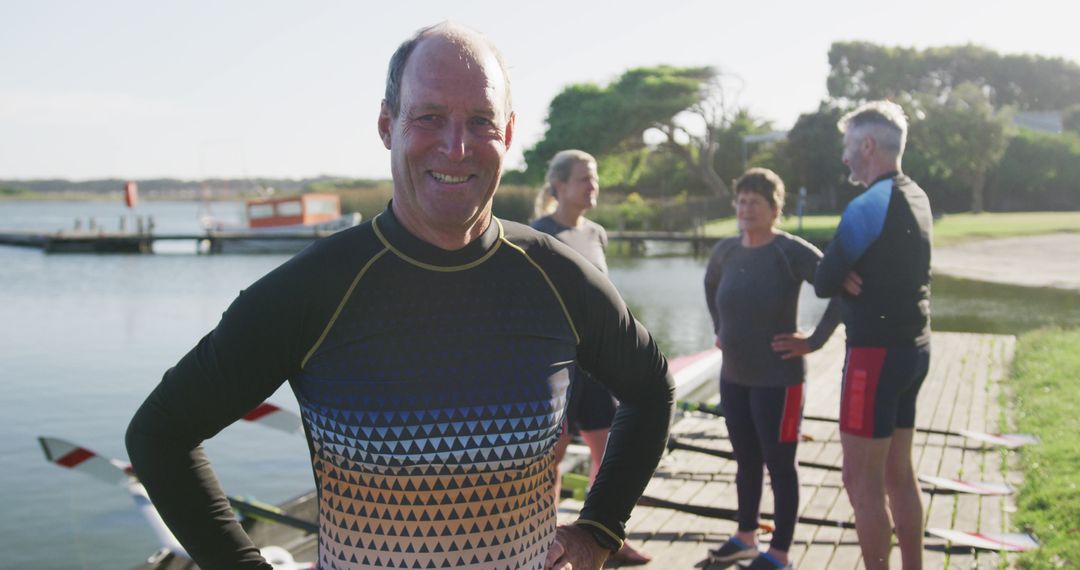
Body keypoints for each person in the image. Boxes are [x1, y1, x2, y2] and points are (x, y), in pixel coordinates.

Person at [126, 22, 674, 570]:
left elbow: (651, 390)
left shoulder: (557, 276)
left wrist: (600, 529)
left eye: (480, 121)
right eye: (429, 116)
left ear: (507, 133)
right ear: (388, 125)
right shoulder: (317, 287)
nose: (456, 147)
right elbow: (160, 435)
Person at [703, 168, 841, 570]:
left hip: (779, 380)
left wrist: (813, 341)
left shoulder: (790, 251)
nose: (746, 209)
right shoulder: (726, 250)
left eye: (755, 202)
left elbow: (840, 291)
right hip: (734, 377)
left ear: (775, 208)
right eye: (741, 201)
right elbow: (711, 287)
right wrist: (719, 328)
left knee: (780, 464)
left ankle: (779, 553)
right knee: (745, 459)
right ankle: (745, 537)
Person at [815, 100, 932, 570]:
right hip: (914, 349)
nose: (844, 158)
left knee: (860, 482)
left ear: (867, 145)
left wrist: (843, 273)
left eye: (848, 147)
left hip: (874, 359)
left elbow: (824, 278)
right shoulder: (918, 195)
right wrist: (848, 272)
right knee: (898, 473)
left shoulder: (869, 203)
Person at [531, 149, 651, 565]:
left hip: (600, 366)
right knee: (554, 458)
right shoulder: (538, 235)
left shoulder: (597, 233)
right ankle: (547, 541)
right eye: (584, 178)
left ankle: (605, 533)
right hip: (561, 367)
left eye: (594, 178)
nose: (593, 185)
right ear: (560, 186)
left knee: (611, 453)